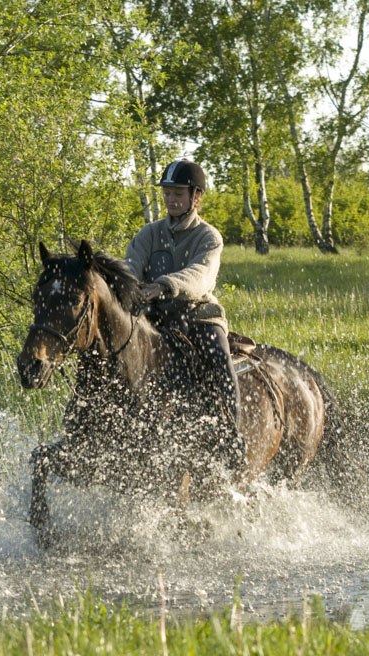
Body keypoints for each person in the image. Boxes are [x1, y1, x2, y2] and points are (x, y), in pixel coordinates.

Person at [125, 159, 243, 473]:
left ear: (195, 196)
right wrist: (131, 287)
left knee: (219, 358)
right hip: (155, 318)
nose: (171, 199)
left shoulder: (209, 236)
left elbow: (200, 276)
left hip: (198, 316)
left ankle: (232, 434)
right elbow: (130, 266)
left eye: (178, 193)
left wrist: (163, 285)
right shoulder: (149, 233)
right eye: (167, 193)